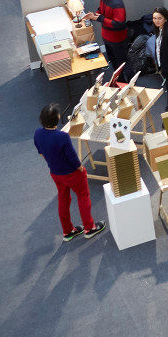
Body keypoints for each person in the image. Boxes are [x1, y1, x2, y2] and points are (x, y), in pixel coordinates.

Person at [34, 103, 103, 241]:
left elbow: (41, 153)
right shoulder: (63, 136)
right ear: (57, 118)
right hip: (73, 174)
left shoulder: (38, 133)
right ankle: (90, 228)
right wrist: (81, 168)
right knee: (83, 197)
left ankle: (68, 231)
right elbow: (73, 158)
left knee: (63, 200)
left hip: (56, 174)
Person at [84, 0, 132, 71]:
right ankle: (119, 79)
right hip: (107, 37)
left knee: (123, 63)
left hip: (117, 39)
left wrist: (101, 18)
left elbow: (119, 23)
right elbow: (101, 11)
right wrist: (93, 15)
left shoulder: (117, 3)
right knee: (113, 61)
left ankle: (131, 80)